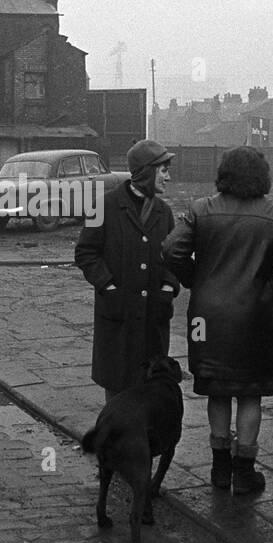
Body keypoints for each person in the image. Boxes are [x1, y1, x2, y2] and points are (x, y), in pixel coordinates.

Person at [163, 146, 273, 494]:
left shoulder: (201, 210)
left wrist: (196, 278)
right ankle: (245, 471)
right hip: (257, 315)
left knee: (218, 390)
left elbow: (171, 250)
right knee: (251, 393)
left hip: (208, 317)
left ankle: (219, 469)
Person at [74, 139, 181, 402]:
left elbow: (174, 257)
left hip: (152, 321)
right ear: (147, 171)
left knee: (151, 393)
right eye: (163, 170)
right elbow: (86, 252)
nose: (168, 177)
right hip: (118, 319)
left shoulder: (164, 212)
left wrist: (168, 288)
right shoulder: (103, 206)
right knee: (118, 396)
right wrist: (108, 287)